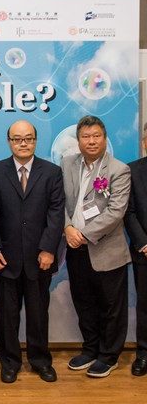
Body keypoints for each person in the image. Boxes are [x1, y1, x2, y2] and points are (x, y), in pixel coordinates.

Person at [0, 120, 64, 383]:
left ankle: (40, 360)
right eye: (17, 139)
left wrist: (48, 249)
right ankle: (10, 362)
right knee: (7, 315)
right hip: (5, 258)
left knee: (38, 314)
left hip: (39, 258)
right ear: (9, 141)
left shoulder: (52, 172)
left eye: (29, 138)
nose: (23, 143)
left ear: (35, 140)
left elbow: (56, 214)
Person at [62, 115, 130, 378]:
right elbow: (60, 202)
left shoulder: (118, 170)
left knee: (111, 306)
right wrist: (67, 228)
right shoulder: (67, 163)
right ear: (78, 140)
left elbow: (116, 212)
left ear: (104, 138)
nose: (91, 141)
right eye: (85, 137)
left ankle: (109, 355)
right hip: (74, 248)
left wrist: (82, 233)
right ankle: (90, 349)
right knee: (84, 302)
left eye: (96, 136)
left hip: (106, 251)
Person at [124, 124, 147, 376]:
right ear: (144, 141)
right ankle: (143, 353)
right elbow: (128, 212)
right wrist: (143, 243)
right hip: (144, 251)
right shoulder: (132, 170)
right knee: (145, 305)